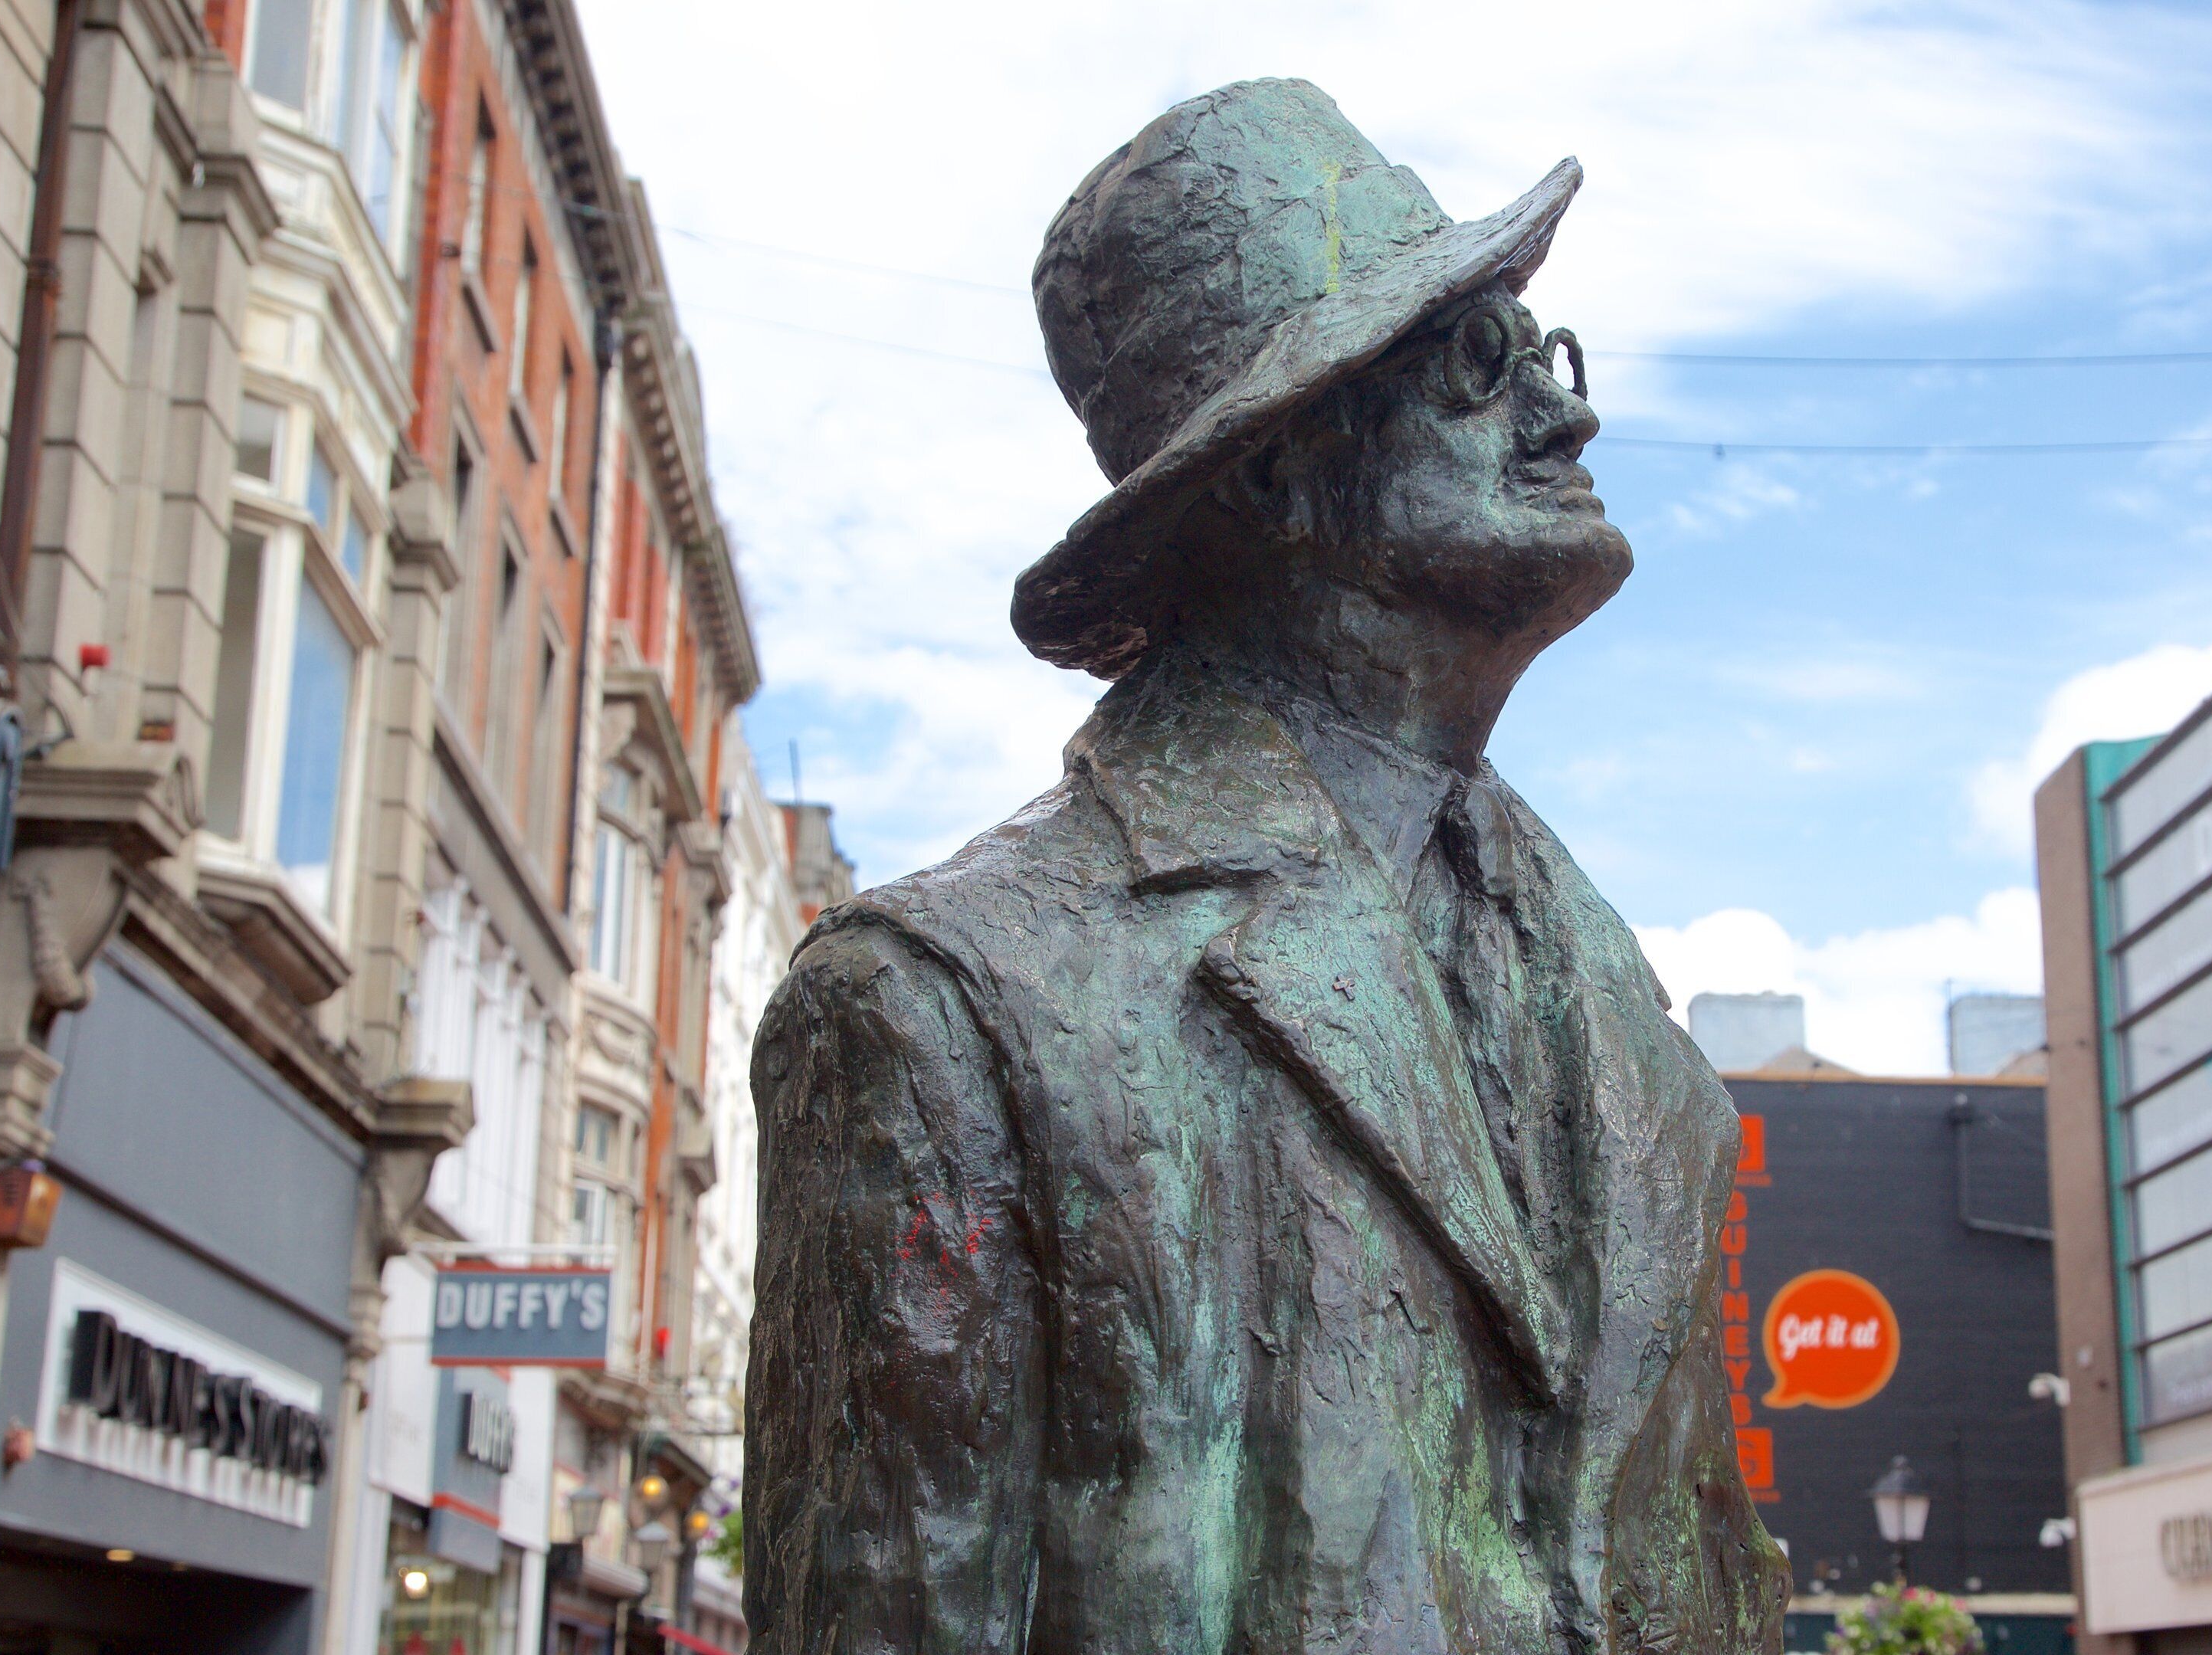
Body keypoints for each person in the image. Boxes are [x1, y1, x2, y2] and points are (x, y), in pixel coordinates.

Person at [747, 78, 1787, 1653]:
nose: (1564, 415)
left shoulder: (1612, 1002)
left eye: (1543, 350)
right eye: (1475, 360)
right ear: (1268, 473)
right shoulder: (947, 1004)